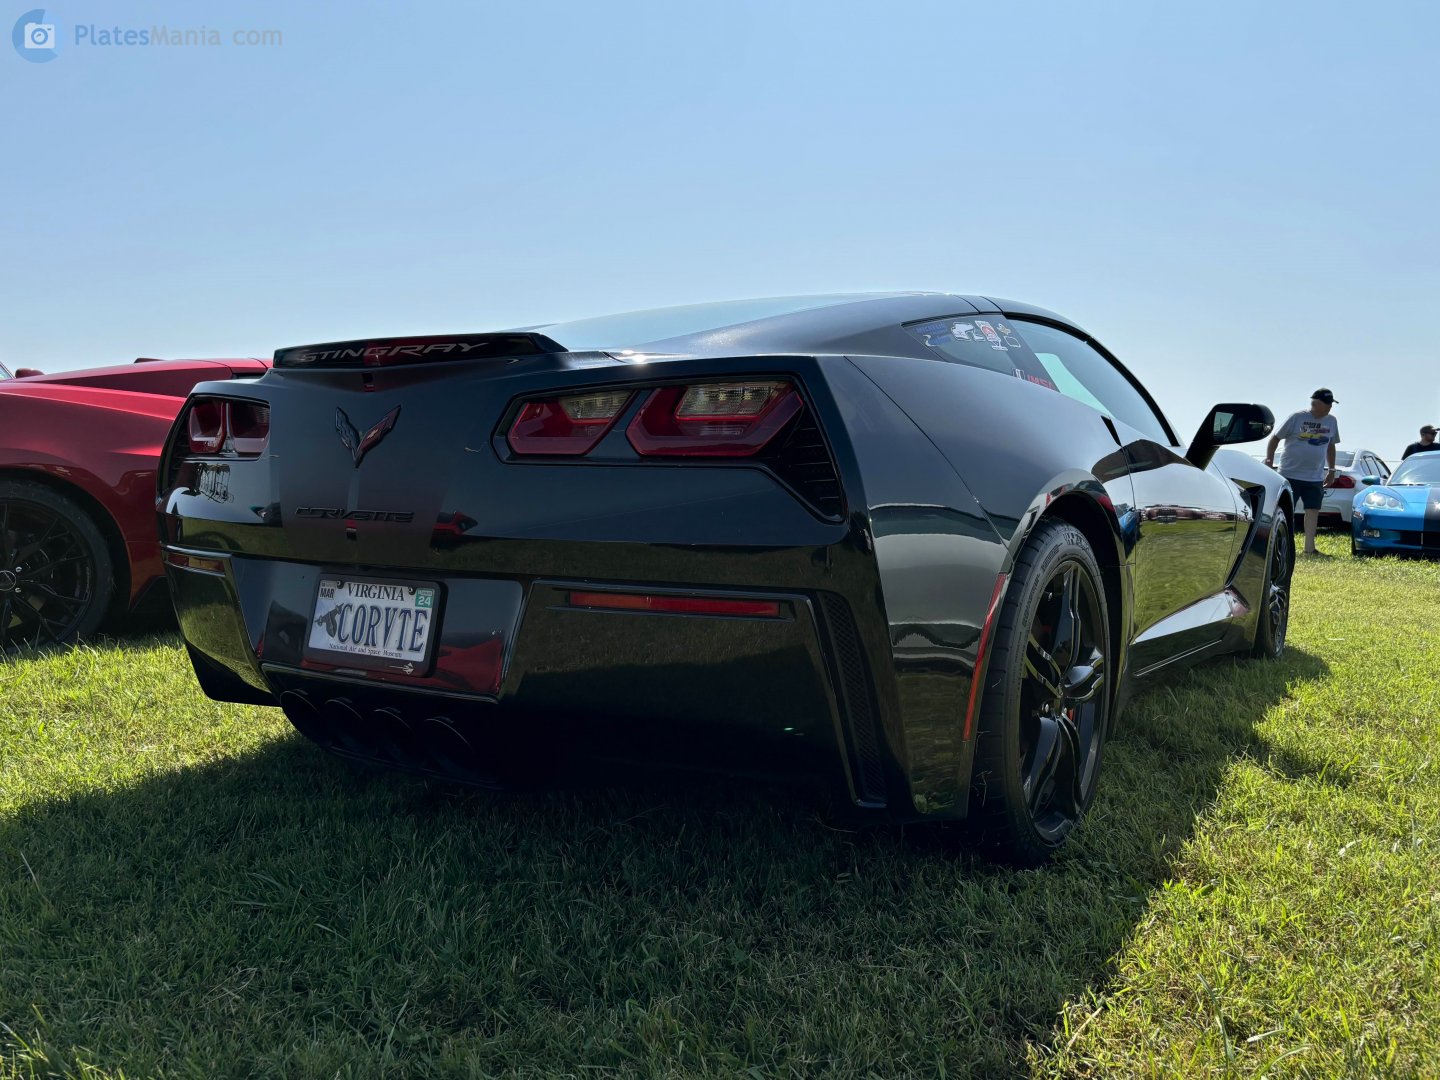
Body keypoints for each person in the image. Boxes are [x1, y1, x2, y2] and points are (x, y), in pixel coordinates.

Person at [1265, 388, 1340, 556]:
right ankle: (1279, 546)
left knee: (1313, 510)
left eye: (1331, 404)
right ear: (1315, 403)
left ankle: (1309, 549)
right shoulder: (1297, 417)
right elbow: (1275, 438)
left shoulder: (1332, 421)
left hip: (1314, 477)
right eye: (1327, 403)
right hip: (1289, 474)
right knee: (1285, 511)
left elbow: (1331, 445)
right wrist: (1269, 460)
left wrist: (1331, 470)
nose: (1330, 407)